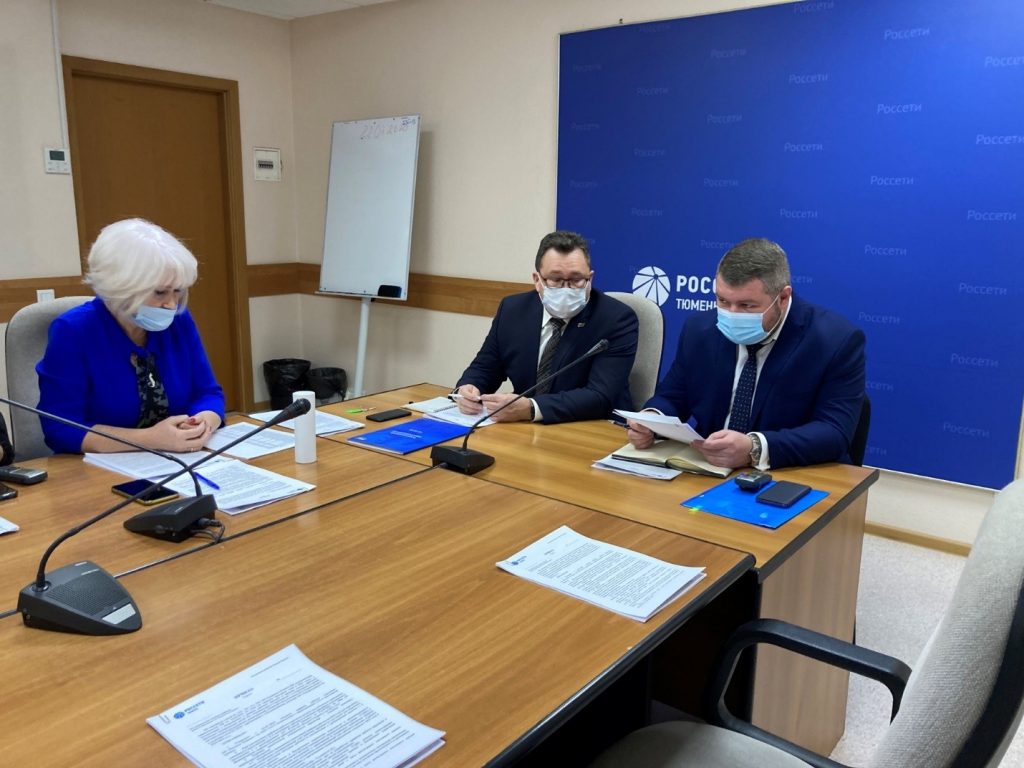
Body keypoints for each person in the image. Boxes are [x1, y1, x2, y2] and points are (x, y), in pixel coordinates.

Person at [627, 237, 865, 469]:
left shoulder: (835, 341)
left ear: (783, 298)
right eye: (722, 300)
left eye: (746, 305)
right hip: (706, 466)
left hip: (789, 473)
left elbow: (834, 432)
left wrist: (754, 448)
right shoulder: (700, 330)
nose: (732, 314)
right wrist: (651, 419)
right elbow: (673, 395)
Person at [37, 218, 225, 454]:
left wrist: (203, 422)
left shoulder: (178, 320)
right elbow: (60, 428)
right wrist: (150, 439)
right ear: (119, 287)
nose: (171, 304)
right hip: (99, 468)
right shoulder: (73, 331)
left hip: (179, 459)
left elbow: (208, 392)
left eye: (177, 291)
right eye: (160, 292)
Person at [454, 230, 638, 423]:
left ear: (590, 279)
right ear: (537, 280)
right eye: (556, 280)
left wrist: (532, 408)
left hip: (594, 427)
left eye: (576, 280)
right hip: (526, 428)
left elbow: (600, 396)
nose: (566, 288)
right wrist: (468, 389)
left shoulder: (616, 318)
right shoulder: (513, 310)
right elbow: (485, 366)